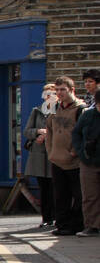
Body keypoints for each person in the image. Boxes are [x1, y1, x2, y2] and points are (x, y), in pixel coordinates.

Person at [45, 76, 85, 236]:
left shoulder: (81, 109)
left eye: (63, 90)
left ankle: (76, 225)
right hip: (57, 160)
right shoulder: (54, 109)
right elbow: (49, 131)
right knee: (60, 196)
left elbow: (83, 133)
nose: (59, 93)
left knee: (78, 195)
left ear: (72, 90)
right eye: (57, 90)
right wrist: (51, 151)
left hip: (75, 162)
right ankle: (62, 225)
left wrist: (75, 151)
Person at [24, 84, 57, 229]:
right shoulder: (37, 111)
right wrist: (38, 131)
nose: (48, 96)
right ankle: (46, 218)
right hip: (39, 156)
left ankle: (57, 218)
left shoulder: (59, 111)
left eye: (51, 93)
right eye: (46, 94)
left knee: (56, 188)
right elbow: (27, 131)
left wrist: (47, 134)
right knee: (44, 189)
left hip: (54, 154)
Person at [72, 91, 100, 235]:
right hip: (88, 161)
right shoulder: (88, 115)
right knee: (90, 196)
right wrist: (80, 151)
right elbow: (76, 133)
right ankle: (91, 226)